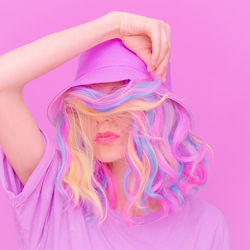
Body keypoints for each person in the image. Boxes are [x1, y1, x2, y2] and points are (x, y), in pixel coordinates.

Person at [0, 11, 231, 250]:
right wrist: (113, 25)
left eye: (116, 102)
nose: (101, 119)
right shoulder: (54, 199)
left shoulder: (206, 227)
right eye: (90, 105)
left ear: (152, 110)